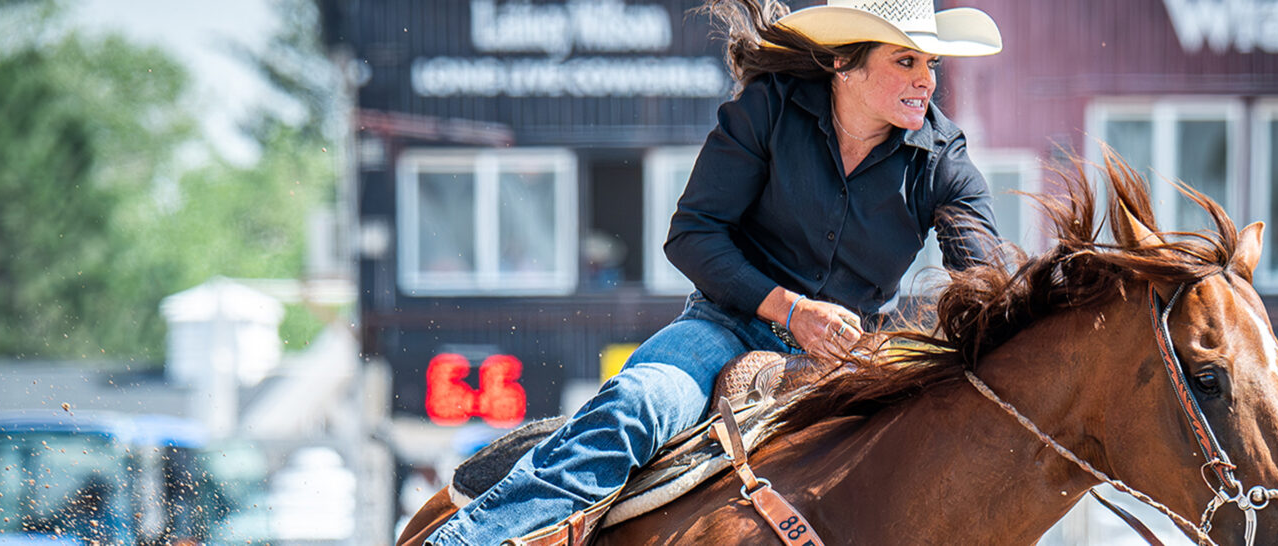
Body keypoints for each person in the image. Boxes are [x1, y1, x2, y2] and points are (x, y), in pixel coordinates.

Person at [425, 0, 1003, 543]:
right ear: (842, 64)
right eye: (906, 61)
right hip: (724, 327)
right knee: (636, 405)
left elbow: (987, 284)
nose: (926, 80)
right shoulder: (771, 108)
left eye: (930, 63)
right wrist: (791, 310)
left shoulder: (944, 161)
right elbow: (692, 235)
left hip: (846, 361)